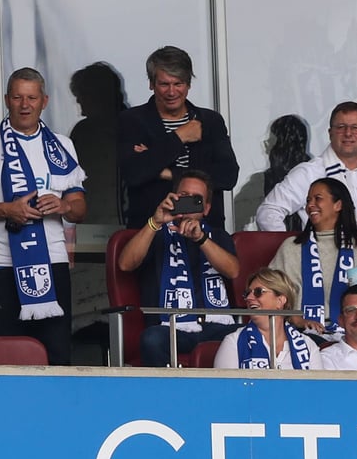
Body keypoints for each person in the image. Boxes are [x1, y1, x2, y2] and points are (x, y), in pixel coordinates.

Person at [0, 68, 86, 365]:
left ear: (44, 101)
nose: (24, 105)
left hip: (52, 263)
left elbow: (79, 208)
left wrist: (63, 207)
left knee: (57, 355)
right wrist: (6, 209)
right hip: (0, 263)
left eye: (31, 97)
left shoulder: (62, 146)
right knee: (7, 356)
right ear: (6, 100)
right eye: (17, 97)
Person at [117, 170, 240, 367]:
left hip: (216, 326)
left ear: (206, 208)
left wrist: (201, 239)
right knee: (152, 340)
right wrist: (155, 222)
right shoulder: (155, 232)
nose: (188, 203)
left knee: (252, 336)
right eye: (183, 197)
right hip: (171, 327)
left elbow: (232, 270)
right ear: (172, 197)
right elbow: (125, 264)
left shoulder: (216, 236)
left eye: (196, 200)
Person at [117, 46, 239, 230]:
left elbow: (228, 176)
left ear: (189, 84)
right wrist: (179, 136)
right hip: (150, 231)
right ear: (151, 84)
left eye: (178, 84)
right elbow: (134, 173)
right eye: (164, 84)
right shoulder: (131, 120)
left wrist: (167, 172)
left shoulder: (210, 122)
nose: (172, 92)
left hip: (205, 232)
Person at [257, 101, 357, 234]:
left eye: (355, 128)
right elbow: (268, 213)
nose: (348, 133)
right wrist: (296, 250)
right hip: (325, 260)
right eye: (341, 127)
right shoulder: (309, 173)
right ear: (330, 133)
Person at [268, 177, 357, 343]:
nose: (310, 205)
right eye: (308, 200)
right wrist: (296, 319)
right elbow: (269, 295)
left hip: (348, 330)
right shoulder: (291, 247)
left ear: (338, 205)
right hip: (301, 332)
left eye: (318, 199)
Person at [214, 268, 322, 370]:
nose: (249, 298)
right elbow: (225, 389)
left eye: (258, 292)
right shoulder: (234, 342)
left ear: (280, 300)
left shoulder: (308, 346)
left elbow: (317, 389)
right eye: (247, 293)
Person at [69, 62, 127, 225]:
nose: (78, 100)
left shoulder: (134, 128)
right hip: (89, 227)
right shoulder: (83, 132)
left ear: (99, 95)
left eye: (82, 94)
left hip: (127, 227)